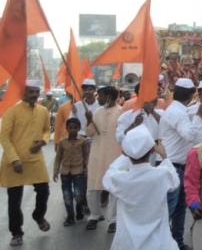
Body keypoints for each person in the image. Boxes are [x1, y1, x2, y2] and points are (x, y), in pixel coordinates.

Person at [104, 124, 180, 250]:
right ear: (152, 150)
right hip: (159, 244)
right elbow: (174, 180)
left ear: (124, 152)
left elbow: (109, 174)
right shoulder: (162, 175)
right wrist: (164, 156)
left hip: (127, 244)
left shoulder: (120, 179)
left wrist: (126, 153)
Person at [0, 80, 52, 247]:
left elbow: (46, 129)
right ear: (23, 93)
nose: (35, 95)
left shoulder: (43, 111)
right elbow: (4, 137)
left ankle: (38, 216)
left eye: (37, 92)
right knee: (14, 200)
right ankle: (16, 233)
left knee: (44, 190)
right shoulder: (12, 111)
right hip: (14, 162)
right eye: (31, 92)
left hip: (35, 160)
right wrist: (14, 159)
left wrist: (43, 142)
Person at [160, 78, 202, 249]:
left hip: (181, 167)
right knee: (170, 210)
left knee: (179, 210)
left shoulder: (178, 110)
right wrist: (200, 114)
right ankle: (162, 244)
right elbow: (189, 135)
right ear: (191, 94)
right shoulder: (176, 112)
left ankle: (176, 242)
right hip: (173, 167)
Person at [85, 86, 123, 232]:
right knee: (92, 188)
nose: (98, 98)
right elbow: (89, 133)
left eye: (100, 96)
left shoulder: (121, 112)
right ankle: (94, 216)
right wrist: (89, 121)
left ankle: (113, 220)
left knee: (114, 189)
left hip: (115, 155)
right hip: (97, 154)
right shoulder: (97, 112)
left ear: (108, 97)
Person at [53, 118, 89, 226]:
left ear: (78, 128)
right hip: (65, 173)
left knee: (79, 195)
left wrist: (86, 168)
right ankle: (70, 217)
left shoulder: (83, 141)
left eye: (75, 128)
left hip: (78, 172)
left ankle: (79, 210)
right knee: (67, 195)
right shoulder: (62, 142)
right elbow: (58, 157)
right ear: (67, 128)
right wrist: (55, 171)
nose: (73, 130)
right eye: (70, 128)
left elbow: (86, 156)